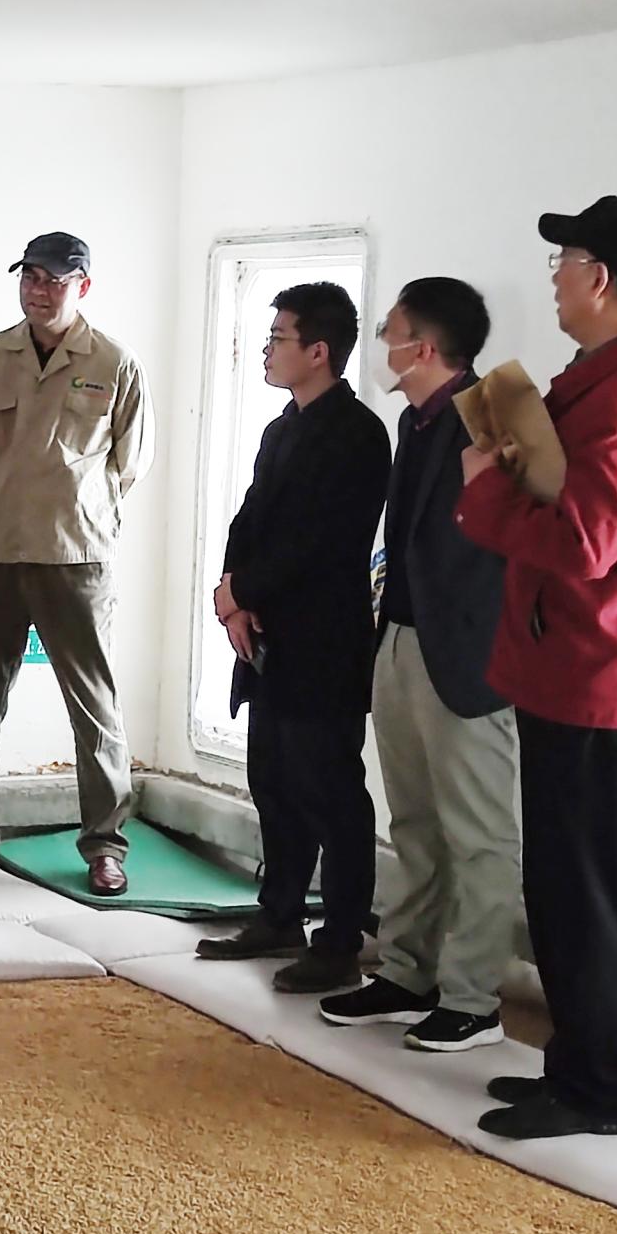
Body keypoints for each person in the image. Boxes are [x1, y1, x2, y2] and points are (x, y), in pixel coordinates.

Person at [460, 196, 617, 1140]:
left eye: (562, 261)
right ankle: (581, 1070)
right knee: (576, 888)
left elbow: (586, 542)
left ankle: (598, 1092)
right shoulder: (616, 374)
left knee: (583, 895)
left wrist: (485, 493)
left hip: (601, 679)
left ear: (598, 279)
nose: (554, 278)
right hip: (593, 668)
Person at [317, 278, 518, 1052]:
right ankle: (408, 973)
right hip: (400, 638)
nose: (382, 346)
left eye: (390, 332)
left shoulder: (495, 413)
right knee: (414, 824)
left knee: (479, 835)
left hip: (465, 652)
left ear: (424, 347)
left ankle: (473, 998)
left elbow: (519, 535)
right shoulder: (415, 419)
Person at [0, 233, 155, 897]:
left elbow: (130, 462)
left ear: (83, 286)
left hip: (75, 555)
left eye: (54, 279)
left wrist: (73, 506)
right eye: (29, 276)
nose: (38, 290)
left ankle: (105, 845)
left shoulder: (114, 362)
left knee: (94, 707)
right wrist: (14, 498)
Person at [195, 282, 389, 993]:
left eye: (279, 338)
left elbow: (320, 543)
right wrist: (232, 596)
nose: (267, 350)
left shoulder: (359, 434)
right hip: (268, 636)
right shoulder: (283, 427)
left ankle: (339, 941)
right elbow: (250, 520)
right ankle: (278, 915)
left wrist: (244, 591)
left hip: (324, 643)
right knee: (272, 780)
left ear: (319, 351)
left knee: (329, 791)